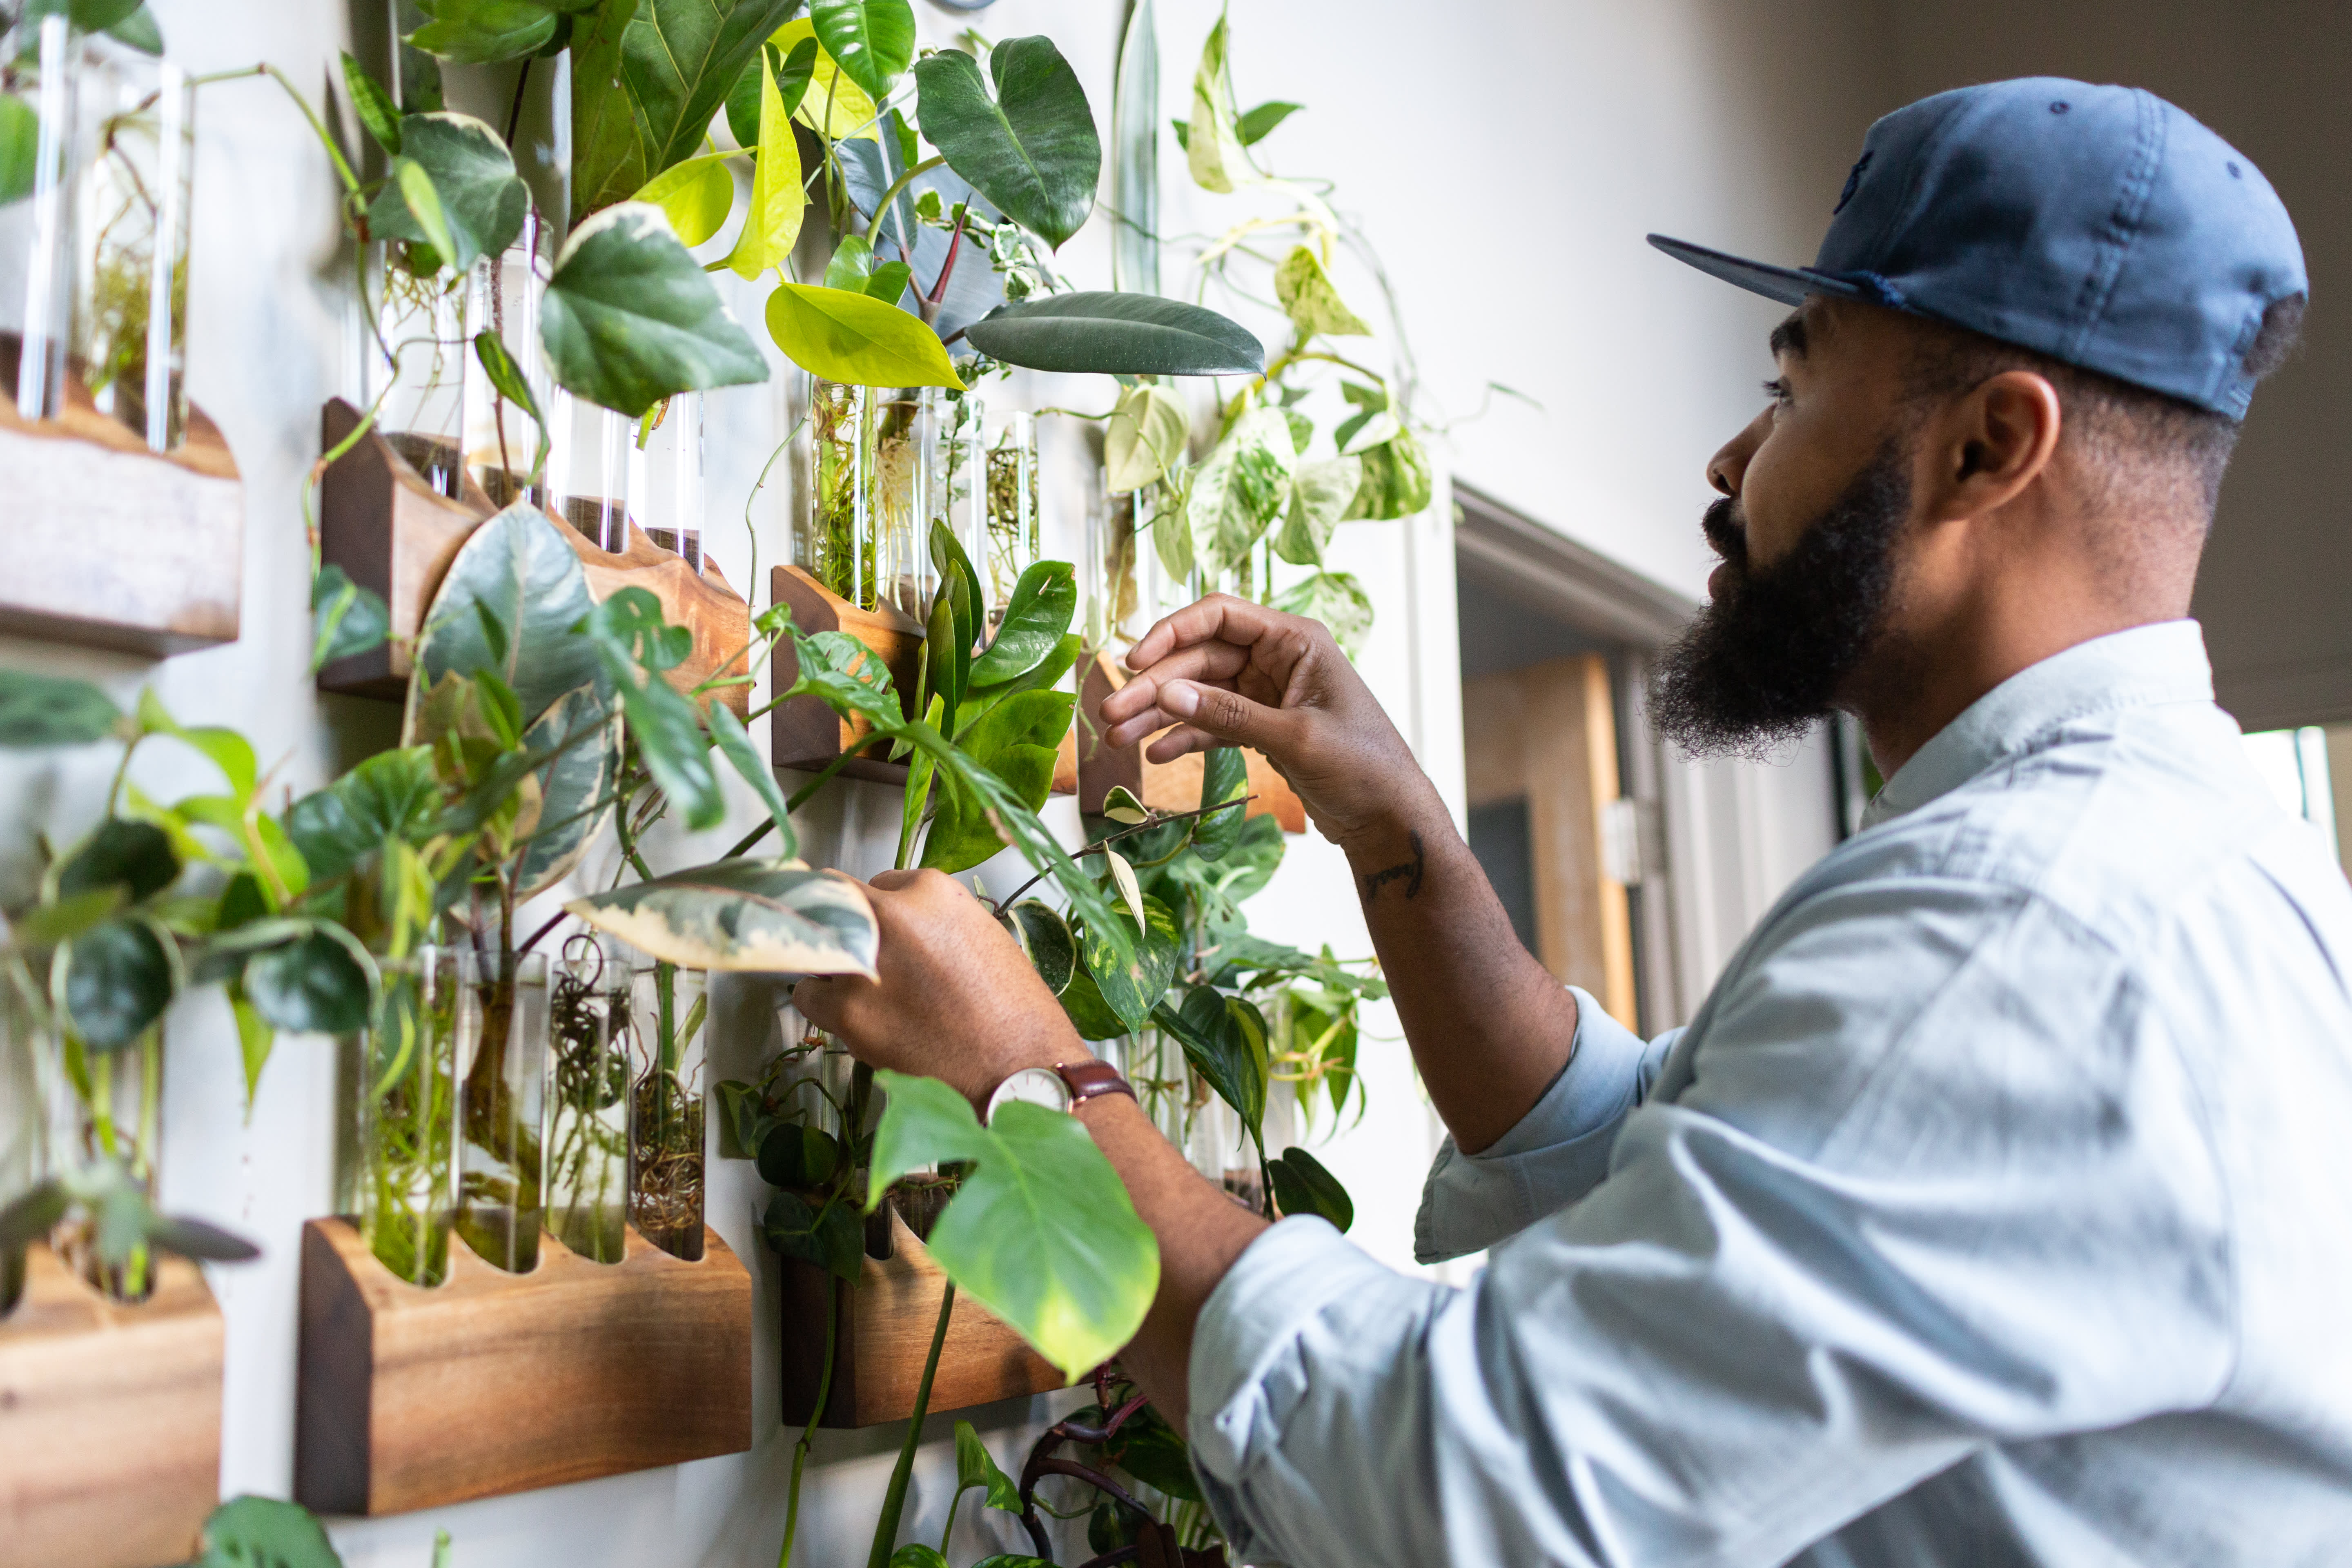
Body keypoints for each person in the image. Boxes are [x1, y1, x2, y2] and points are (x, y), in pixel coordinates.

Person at [794, 78, 2352, 1565]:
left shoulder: (2027, 925)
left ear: (1988, 448)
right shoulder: (2176, 870)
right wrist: (1398, 831)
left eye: (1792, 380)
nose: (1733, 461)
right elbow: (1629, 1148)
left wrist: (1030, 1081)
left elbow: (1480, 1500)